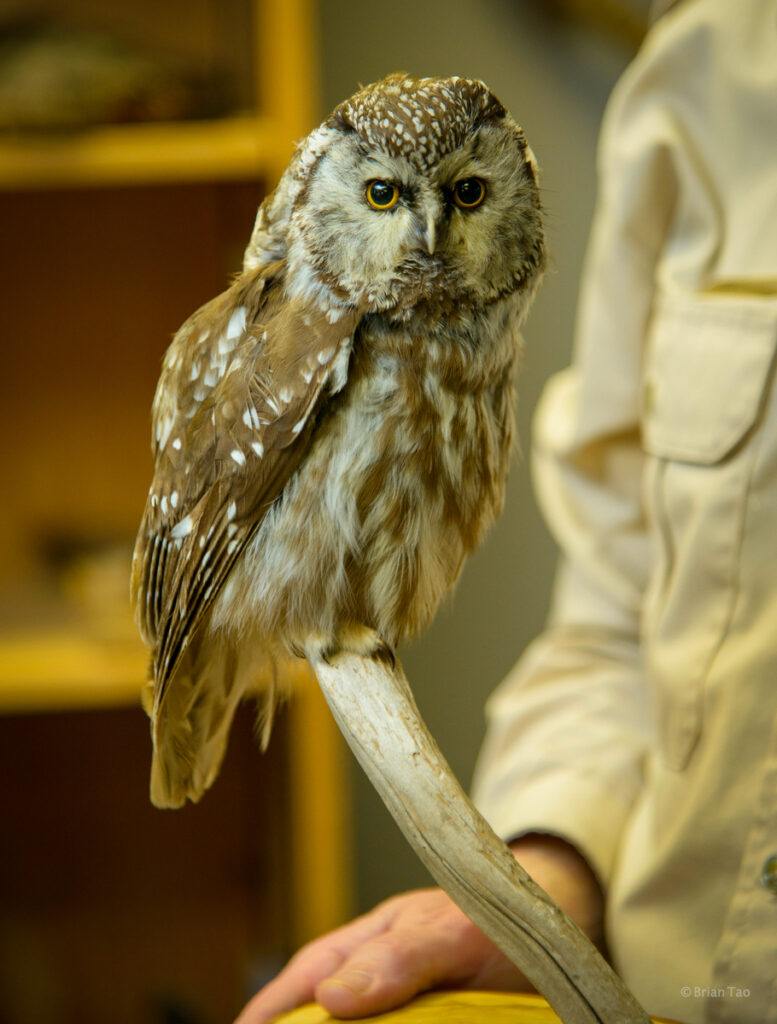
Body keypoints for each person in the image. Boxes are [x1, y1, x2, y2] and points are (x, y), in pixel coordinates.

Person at [236, 1, 777, 1021]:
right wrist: (540, 886)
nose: (431, 238)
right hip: (652, 984)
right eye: (388, 199)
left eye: (468, 198)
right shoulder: (711, 65)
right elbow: (629, 611)